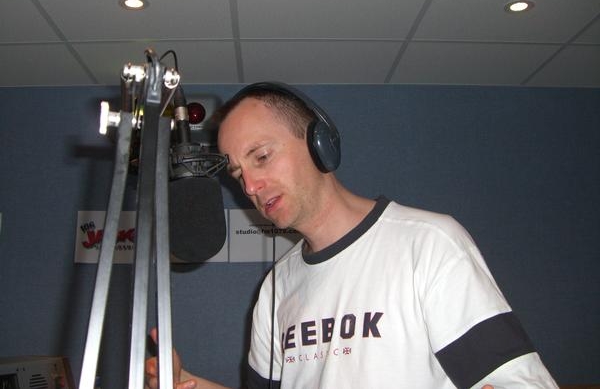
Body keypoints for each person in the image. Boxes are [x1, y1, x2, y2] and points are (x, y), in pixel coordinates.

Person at [145, 82, 558, 388]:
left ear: (318, 143)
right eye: (238, 174)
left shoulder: (427, 243)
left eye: (262, 157)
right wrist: (189, 384)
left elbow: (521, 382)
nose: (250, 186)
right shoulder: (276, 287)